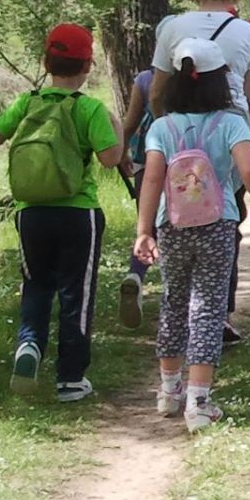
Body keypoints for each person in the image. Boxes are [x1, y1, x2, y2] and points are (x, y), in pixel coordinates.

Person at [133, 36, 250, 432]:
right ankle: (198, 403)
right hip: (217, 225)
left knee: (174, 303)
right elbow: (249, 171)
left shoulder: (162, 127)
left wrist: (144, 230)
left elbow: (151, 178)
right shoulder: (231, 123)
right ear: (220, 82)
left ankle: (168, 392)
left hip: (173, 226)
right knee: (209, 308)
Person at [0, 23, 123, 402]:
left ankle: (29, 346)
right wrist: (118, 127)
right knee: (78, 292)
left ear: (46, 62)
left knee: (36, 285)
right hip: (79, 214)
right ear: (88, 66)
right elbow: (111, 159)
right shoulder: (89, 108)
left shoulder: (27, 103)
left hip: (31, 213)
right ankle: (71, 378)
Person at [146, 0, 250, 345]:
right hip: (226, 138)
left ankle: (176, 314)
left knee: (178, 214)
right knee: (223, 218)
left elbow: (157, 91)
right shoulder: (248, 33)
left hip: (176, 136)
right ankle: (218, 313)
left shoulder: (174, 27)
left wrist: (163, 130)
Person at [115, 67, 155, 328]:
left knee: (147, 229)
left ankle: (136, 274)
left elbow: (130, 123)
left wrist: (121, 151)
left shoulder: (145, 79)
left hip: (149, 160)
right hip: (190, 168)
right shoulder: (201, 72)